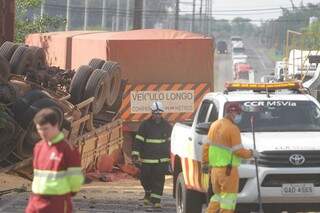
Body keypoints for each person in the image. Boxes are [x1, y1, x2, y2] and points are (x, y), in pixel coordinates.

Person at [202, 102, 260, 213]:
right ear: (233, 113)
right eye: (238, 113)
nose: (239, 116)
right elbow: (238, 151)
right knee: (228, 200)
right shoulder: (233, 129)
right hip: (228, 171)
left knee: (217, 197)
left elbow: (206, 146)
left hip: (215, 171)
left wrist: (205, 163)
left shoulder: (214, 125)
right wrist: (252, 153)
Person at [26, 108, 84, 213]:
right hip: (36, 202)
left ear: (56, 126)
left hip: (57, 204)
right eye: (39, 129)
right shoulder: (38, 147)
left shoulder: (68, 149)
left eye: (45, 129)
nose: (42, 133)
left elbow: (75, 180)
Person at [132, 101, 172, 210]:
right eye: (156, 114)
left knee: (159, 180)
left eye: (159, 114)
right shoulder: (145, 125)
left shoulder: (167, 126)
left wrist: (171, 159)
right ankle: (148, 193)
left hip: (161, 160)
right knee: (145, 179)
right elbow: (138, 141)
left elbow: (171, 143)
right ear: (152, 113)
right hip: (147, 159)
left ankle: (156, 201)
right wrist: (135, 154)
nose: (158, 116)